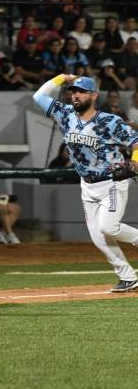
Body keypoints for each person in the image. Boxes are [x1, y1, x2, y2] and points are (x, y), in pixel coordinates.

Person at [34, 75, 138, 292]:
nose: (75, 95)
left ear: (94, 95)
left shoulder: (109, 122)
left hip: (111, 182)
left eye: (81, 91)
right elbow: (39, 95)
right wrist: (62, 78)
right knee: (99, 238)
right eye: (73, 91)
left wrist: (135, 163)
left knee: (108, 226)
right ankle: (129, 277)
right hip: (87, 185)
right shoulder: (65, 115)